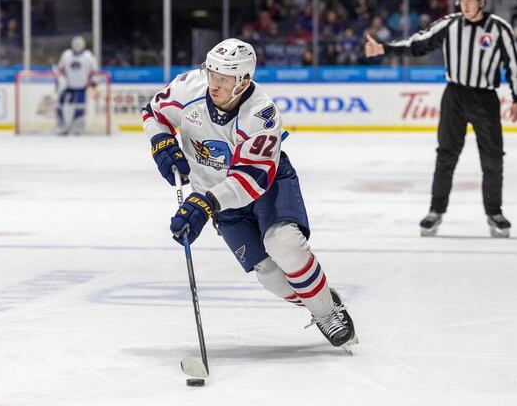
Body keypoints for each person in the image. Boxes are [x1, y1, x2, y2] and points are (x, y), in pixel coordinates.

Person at [143, 38, 357, 351]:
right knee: (269, 275)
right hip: (215, 196)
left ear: (243, 81)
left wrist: (205, 202)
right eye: (212, 74)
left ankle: (326, 311)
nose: (214, 85)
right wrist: (161, 143)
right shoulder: (188, 88)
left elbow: (252, 177)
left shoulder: (261, 114)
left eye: (224, 79)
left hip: (265, 185)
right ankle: (320, 297)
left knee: (283, 244)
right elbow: (153, 112)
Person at [365, 0, 517, 238]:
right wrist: (385, 48)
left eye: (471, 1)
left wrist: (516, 99)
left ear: (482, 2)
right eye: (463, 1)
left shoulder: (499, 28)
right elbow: (418, 43)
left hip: (485, 99)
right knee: (446, 155)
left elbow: (513, 65)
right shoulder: (449, 24)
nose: (466, 5)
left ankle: (494, 212)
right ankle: (435, 211)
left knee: (492, 159)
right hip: (455, 97)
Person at [55, 36, 99, 135]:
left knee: (80, 107)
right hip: (67, 86)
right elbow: (60, 69)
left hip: (81, 87)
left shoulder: (88, 56)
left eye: (79, 44)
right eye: (76, 44)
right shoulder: (66, 55)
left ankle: (78, 127)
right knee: (59, 105)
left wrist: (94, 83)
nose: (77, 46)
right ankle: (61, 126)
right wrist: (60, 81)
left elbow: (94, 71)